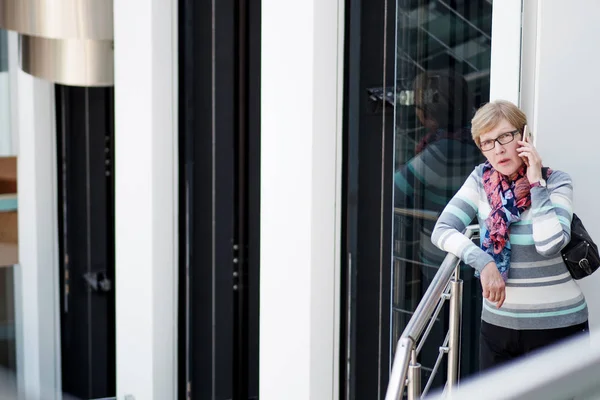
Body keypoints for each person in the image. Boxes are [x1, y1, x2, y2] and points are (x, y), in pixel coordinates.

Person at [431, 100, 589, 372]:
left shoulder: (557, 182)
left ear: (525, 136)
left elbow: (550, 244)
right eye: (487, 142)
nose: (499, 149)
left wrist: (536, 181)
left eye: (505, 136)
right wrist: (484, 262)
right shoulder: (480, 181)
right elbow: (443, 229)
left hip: (558, 328)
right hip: (498, 328)